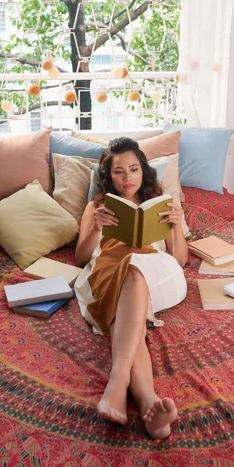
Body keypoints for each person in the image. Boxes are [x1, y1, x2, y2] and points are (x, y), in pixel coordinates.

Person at [74, 137, 188, 439]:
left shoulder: (162, 202)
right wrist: (96, 228)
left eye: (134, 170)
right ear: (107, 176)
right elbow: (82, 257)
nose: (128, 179)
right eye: (119, 172)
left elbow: (180, 259)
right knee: (130, 295)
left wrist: (176, 226)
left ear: (143, 171)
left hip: (159, 272)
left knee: (135, 275)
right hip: (109, 270)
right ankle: (149, 402)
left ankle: (118, 381)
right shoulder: (96, 206)